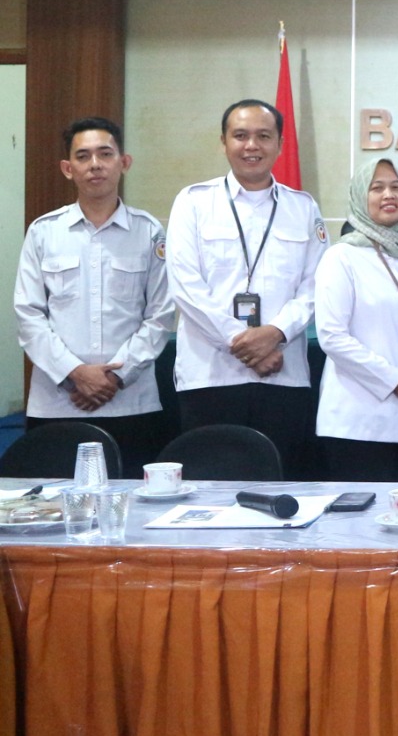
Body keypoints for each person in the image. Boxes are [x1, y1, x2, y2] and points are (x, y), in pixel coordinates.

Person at [166, 100, 327, 476]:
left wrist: (275, 334)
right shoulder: (193, 202)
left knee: (281, 486)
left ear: (280, 144)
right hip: (210, 377)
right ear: (223, 141)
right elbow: (185, 286)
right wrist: (244, 343)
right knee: (209, 489)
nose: (251, 145)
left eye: (263, 136)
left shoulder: (303, 208)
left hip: (282, 376)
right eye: (240, 135)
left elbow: (316, 285)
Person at [14, 117, 174, 474]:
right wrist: (75, 372)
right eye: (83, 156)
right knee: (53, 501)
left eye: (105, 154)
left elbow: (161, 315)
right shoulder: (44, 232)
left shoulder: (149, 232)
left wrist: (116, 377)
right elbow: (28, 315)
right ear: (67, 168)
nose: (95, 164)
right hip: (57, 403)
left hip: (132, 403)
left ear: (124, 162)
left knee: (133, 501)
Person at [313, 159, 398, 482]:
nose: (389, 195)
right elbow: (332, 336)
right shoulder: (340, 257)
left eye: (396, 187)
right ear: (360, 196)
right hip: (359, 421)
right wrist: (395, 380)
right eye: (377, 188)